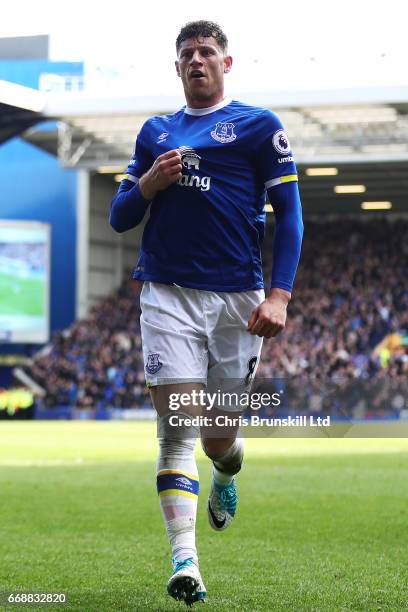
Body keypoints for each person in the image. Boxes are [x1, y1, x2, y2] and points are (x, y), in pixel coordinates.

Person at [110, 20, 303, 607]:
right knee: (177, 434)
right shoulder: (156, 132)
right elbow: (120, 216)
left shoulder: (259, 126)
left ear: (226, 62)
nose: (197, 60)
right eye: (187, 54)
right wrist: (146, 183)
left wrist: (280, 295)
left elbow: (289, 216)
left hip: (238, 301)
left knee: (220, 438)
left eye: (207, 52)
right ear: (176, 69)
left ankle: (225, 472)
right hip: (167, 294)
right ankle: (185, 563)